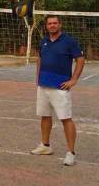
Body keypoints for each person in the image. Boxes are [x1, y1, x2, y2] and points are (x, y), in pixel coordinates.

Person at [30, 15, 85, 166]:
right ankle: (45, 146)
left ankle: (71, 152)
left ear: (60, 25)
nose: (52, 25)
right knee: (44, 116)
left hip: (60, 87)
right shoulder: (44, 41)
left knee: (66, 119)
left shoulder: (69, 41)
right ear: (46, 26)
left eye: (55, 23)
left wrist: (73, 80)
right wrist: (38, 77)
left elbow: (80, 59)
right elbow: (40, 59)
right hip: (43, 85)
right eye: (49, 23)